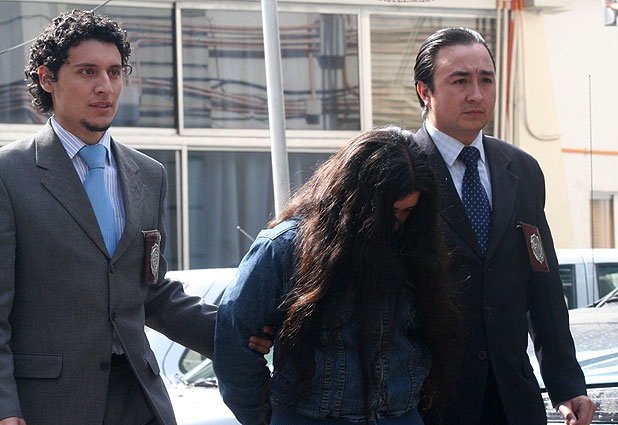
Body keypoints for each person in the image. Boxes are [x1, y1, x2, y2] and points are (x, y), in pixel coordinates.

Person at [0, 10, 272, 425]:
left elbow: (152, 293)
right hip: (49, 405)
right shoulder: (9, 174)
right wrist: (5, 408)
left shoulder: (148, 174)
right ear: (47, 79)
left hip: (139, 400)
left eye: (114, 72)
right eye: (87, 71)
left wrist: (239, 331)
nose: (105, 86)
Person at [214, 127, 460, 425]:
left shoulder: (416, 244)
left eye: (407, 212)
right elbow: (233, 346)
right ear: (355, 201)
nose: (397, 223)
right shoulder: (284, 248)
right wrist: (265, 417)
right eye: (388, 213)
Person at [412, 27, 595, 425]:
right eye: (460, 81)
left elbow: (543, 286)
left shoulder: (522, 169)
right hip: (428, 404)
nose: (477, 94)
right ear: (425, 92)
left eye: (486, 80)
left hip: (514, 402)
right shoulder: (401, 171)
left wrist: (566, 384)